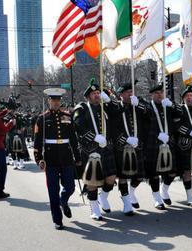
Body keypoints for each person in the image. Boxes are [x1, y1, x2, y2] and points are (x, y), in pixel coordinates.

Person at [73, 79, 122, 220]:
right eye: (94, 93)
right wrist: (94, 137)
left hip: (106, 148)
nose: (97, 95)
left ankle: (103, 197)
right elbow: (78, 125)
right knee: (92, 181)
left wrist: (109, 100)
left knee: (111, 178)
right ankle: (94, 209)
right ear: (88, 96)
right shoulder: (81, 108)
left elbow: (119, 111)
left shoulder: (105, 106)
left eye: (98, 92)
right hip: (90, 149)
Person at [33, 88, 81, 230]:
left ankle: (63, 200)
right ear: (48, 101)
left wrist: (77, 157)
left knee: (71, 187)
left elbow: (73, 139)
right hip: (50, 158)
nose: (56, 102)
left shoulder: (67, 116)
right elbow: (37, 142)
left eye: (58, 100)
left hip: (66, 156)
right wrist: (39, 159)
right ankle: (57, 220)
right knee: (53, 190)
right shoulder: (42, 118)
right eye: (53, 100)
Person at [113, 82, 148, 215]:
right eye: (127, 92)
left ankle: (131, 192)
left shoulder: (138, 104)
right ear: (121, 94)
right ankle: (126, 202)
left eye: (131, 92)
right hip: (123, 146)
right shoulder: (116, 107)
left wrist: (137, 104)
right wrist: (125, 139)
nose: (130, 94)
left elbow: (149, 114)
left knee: (139, 176)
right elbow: (112, 128)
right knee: (123, 177)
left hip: (137, 145)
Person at [144, 84, 178, 210]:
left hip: (168, 143)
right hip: (153, 143)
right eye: (156, 93)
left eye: (161, 92)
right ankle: (157, 198)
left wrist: (172, 105)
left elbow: (180, 114)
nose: (159, 95)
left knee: (173, 171)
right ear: (151, 95)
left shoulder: (167, 106)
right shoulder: (148, 107)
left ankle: (164, 189)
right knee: (154, 174)